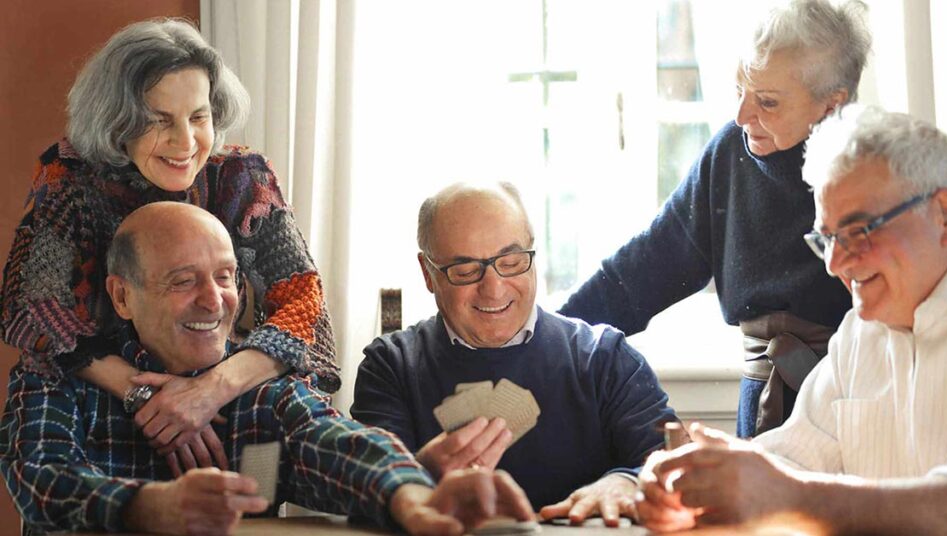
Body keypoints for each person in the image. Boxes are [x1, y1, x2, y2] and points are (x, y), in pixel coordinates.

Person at [558, 0, 947, 438]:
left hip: (867, 399)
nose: (742, 115)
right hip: (763, 398)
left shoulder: (886, 159)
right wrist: (547, 342)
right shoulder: (727, 155)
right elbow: (640, 272)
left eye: (768, 101)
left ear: (832, 103)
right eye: (739, 90)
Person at [0, 202, 535, 535]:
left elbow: (331, 443)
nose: (214, 302)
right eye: (183, 281)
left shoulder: (261, 390)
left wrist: (413, 494)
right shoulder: (56, 379)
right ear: (121, 297)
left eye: (227, 276)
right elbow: (42, 481)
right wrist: (151, 509)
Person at [637, 106, 947, 535]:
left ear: (946, 216)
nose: (835, 263)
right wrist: (699, 485)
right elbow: (792, 460)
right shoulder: (861, 331)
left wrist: (784, 494)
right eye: (827, 238)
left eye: (859, 231)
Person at [0, 19, 338, 474]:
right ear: (117, 121)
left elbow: (303, 304)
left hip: (227, 401)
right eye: (159, 122)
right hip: (100, 404)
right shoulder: (71, 179)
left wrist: (208, 391)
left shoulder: (241, 177)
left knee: (249, 500)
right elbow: (28, 307)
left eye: (199, 117)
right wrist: (151, 397)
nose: (186, 142)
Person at [350, 182, 679, 526]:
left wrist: (626, 481)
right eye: (465, 271)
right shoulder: (391, 366)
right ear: (428, 273)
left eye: (511, 262)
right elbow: (360, 499)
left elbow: (673, 462)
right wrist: (415, 477)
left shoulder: (604, 358)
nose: (493, 288)